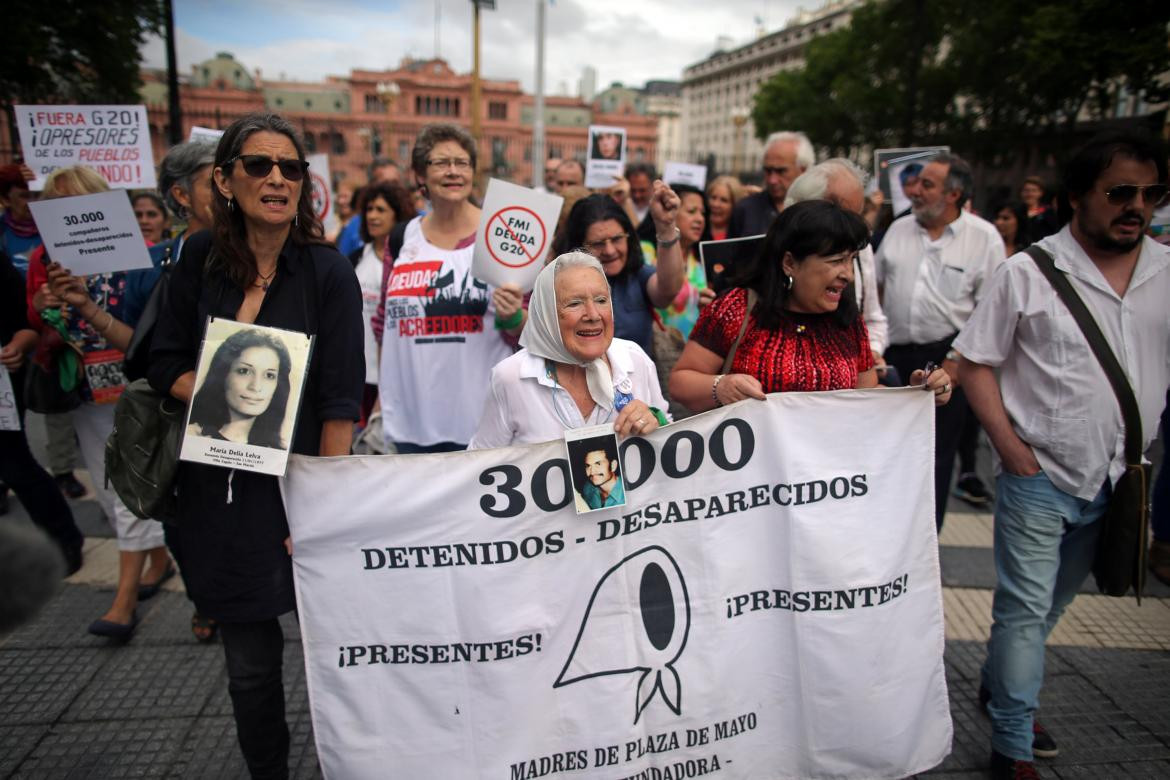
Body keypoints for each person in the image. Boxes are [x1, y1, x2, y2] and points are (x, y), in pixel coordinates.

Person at [148, 112, 364, 778]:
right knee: (249, 668)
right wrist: (224, 394)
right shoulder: (196, 260)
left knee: (338, 652)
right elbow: (162, 361)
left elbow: (338, 404)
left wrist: (322, 509)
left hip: (300, 489)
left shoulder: (327, 274)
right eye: (260, 165)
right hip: (218, 489)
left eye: (291, 168)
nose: (277, 178)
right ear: (224, 179)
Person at [954, 131, 1170, 780]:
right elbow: (975, 365)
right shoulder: (1027, 272)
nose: (1136, 206)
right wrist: (1012, 451)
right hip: (1040, 478)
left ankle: (1002, 687)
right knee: (1022, 611)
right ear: (1078, 197)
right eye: (1119, 193)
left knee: (1049, 609)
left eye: (1150, 194)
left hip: (1119, 479)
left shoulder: (1166, 271)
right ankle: (1014, 742)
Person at [26, 166, 172, 639]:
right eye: (56, 206)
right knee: (110, 493)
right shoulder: (49, 262)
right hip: (85, 392)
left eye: (75, 204)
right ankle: (158, 559)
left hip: (131, 390)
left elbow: (146, 339)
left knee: (128, 488)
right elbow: (41, 324)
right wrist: (47, 306)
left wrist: (91, 306)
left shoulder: (137, 263)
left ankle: (123, 600)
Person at [669, 200, 952, 410]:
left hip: (825, 483)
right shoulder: (737, 308)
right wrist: (721, 387)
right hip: (751, 482)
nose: (848, 275)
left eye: (850, 260)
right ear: (790, 263)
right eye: (835, 261)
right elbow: (681, 382)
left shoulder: (847, 320)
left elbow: (866, 397)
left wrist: (915, 394)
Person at [875, 152, 1004, 529]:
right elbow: (877, 291)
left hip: (949, 359)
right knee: (888, 454)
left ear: (954, 193)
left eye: (926, 184)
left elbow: (990, 313)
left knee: (935, 458)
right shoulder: (899, 230)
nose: (914, 190)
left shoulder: (984, 239)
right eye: (915, 183)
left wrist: (955, 363)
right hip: (895, 358)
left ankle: (924, 547)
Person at [376, 123, 520, 453]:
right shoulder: (400, 239)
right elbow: (385, 325)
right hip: (410, 427)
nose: (453, 172)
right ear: (420, 175)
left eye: (462, 162)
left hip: (483, 428)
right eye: (441, 163)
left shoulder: (500, 234)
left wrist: (514, 317)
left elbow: (528, 331)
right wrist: (382, 402)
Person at [468, 252, 667, 449]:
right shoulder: (512, 377)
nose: (593, 314)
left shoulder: (634, 359)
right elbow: (479, 465)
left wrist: (656, 422)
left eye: (600, 300)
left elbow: (671, 444)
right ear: (547, 315)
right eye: (574, 303)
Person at [151, 140, 222, 643]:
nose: (223, 188)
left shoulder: (264, 250)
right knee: (184, 514)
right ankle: (205, 597)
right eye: (210, 180)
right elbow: (148, 350)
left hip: (248, 412)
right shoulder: (159, 261)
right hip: (180, 411)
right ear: (180, 194)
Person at [0, 248, 84, 574]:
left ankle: (64, 539)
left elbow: (25, 324)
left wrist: (17, 346)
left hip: (4, 382)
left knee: (15, 465)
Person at [784, 159, 892, 383]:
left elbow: (873, 319)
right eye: (840, 213)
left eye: (857, 216)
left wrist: (869, 354)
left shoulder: (862, 250)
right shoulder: (748, 300)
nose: (847, 275)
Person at [347, 181, 416, 424]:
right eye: (369, 209)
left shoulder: (408, 261)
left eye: (381, 210)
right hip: (358, 372)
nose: (373, 216)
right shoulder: (354, 259)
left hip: (395, 373)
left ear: (397, 215)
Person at [187, 329, 291, 448]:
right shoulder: (192, 437)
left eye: (269, 375)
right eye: (244, 371)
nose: (256, 387)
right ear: (223, 374)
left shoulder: (277, 454)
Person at [642, 183, 711, 339]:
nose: (700, 219)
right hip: (651, 347)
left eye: (703, 213)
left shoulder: (701, 263)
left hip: (687, 351)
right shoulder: (645, 253)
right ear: (669, 211)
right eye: (692, 211)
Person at [727, 131, 814, 238]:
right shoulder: (745, 210)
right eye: (768, 170)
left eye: (781, 171)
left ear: (803, 169)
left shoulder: (819, 211)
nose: (772, 180)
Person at [338, 158, 402, 255]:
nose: (392, 189)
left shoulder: (417, 220)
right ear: (372, 185)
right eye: (387, 184)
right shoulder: (354, 226)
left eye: (395, 183)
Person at [571, 437, 624, 509]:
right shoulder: (588, 488)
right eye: (588, 466)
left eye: (598, 464)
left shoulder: (625, 494)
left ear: (613, 466)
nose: (592, 472)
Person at [1019, 175, 1059, 241]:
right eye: (1026, 190)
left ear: (1041, 193)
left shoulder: (1048, 213)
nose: (1030, 194)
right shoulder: (1015, 213)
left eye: (1034, 191)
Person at [706, 175, 744, 242]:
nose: (716, 204)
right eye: (713, 197)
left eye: (724, 200)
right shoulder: (697, 231)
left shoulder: (742, 233)